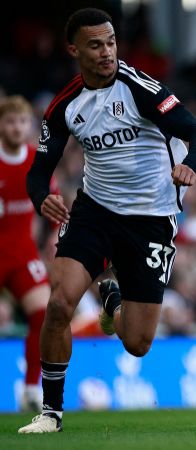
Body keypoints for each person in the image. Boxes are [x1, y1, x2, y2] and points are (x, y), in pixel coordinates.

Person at [18, 8, 196, 433]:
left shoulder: (142, 88)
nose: (107, 52)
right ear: (74, 50)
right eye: (95, 45)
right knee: (58, 303)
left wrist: (192, 166)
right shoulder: (65, 105)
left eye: (110, 42)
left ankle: (113, 301)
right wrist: (41, 198)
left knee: (138, 343)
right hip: (95, 211)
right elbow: (38, 170)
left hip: (151, 218)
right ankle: (51, 412)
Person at [0, 95, 53, 412]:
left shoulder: (36, 160)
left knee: (44, 313)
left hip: (21, 253)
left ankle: (32, 388)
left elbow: (54, 199)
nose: (17, 128)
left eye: (22, 122)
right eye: (10, 122)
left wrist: (57, 230)